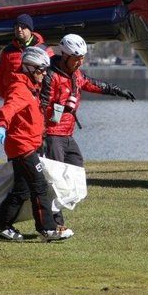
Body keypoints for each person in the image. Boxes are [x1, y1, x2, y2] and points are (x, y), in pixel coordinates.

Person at [40, 34, 135, 235]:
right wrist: (60, 110)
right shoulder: (51, 76)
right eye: (76, 58)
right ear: (64, 55)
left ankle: (55, 211)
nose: (80, 62)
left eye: (82, 58)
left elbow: (94, 84)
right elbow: (41, 108)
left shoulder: (77, 75)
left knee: (77, 171)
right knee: (55, 181)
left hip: (67, 134)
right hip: (51, 135)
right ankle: (55, 224)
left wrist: (118, 91)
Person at [0, 46, 72, 242]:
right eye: (40, 70)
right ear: (28, 68)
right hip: (21, 146)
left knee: (22, 190)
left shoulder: (30, 88)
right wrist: (1, 125)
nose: (43, 74)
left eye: (44, 70)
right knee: (39, 185)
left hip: (27, 144)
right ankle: (47, 229)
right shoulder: (20, 88)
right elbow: (8, 108)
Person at [0, 13, 45, 97]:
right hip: (14, 97)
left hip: (36, 98)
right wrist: (5, 95)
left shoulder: (43, 49)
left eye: (23, 27)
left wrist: (45, 99)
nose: (19, 29)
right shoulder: (8, 51)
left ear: (30, 29)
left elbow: (51, 76)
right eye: (16, 27)